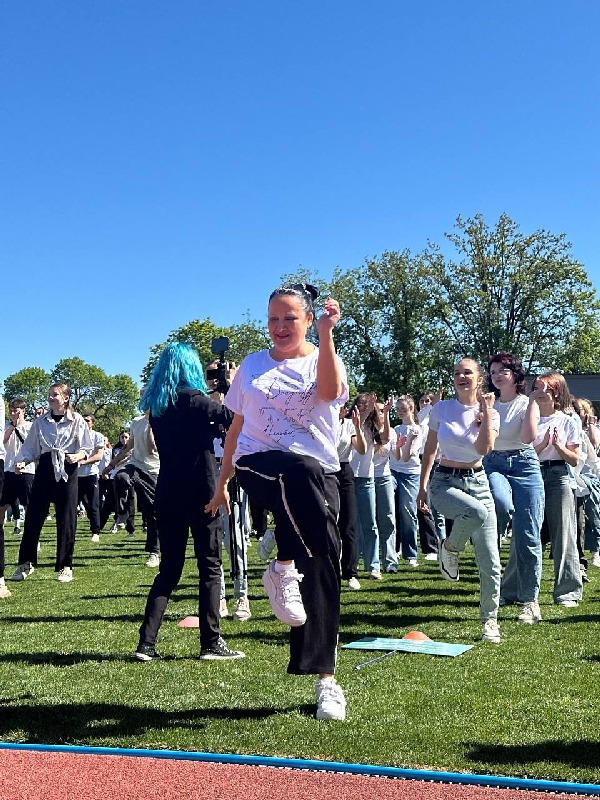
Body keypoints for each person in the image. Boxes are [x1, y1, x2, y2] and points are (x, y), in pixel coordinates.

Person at [206, 283, 348, 721]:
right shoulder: (252, 365)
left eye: (290, 318)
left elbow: (329, 394)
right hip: (259, 464)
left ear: (309, 320)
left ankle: (326, 680)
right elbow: (236, 426)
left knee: (321, 565)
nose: (280, 326)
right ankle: (283, 564)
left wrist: (327, 336)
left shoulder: (324, 356)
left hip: (318, 473)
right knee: (297, 473)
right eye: (273, 319)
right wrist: (223, 480)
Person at [133, 342, 244, 662]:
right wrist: (230, 386)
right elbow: (235, 418)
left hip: (168, 492)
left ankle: (146, 643)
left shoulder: (158, 407)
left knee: (168, 570)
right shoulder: (196, 401)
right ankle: (211, 642)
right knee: (210, 566)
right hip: (203, 492)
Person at [418, 358, 502, 644]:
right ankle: (450, 548)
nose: (461, 377)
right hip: (444, 482)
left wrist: (486, 414)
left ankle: (489, 620)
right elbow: (430, 448)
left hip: (478, 482)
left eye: (467, 372)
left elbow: (484, 448)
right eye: (457, 373)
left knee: (490, 560)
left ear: (479, 378)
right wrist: (422, 487)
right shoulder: (441, 409)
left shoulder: (491, 413)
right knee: (475, 513)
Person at [483, 352, 544, 623]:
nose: (496, 375)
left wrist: (532, 402)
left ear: (515, 375)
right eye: (493, 371)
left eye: (502, 371)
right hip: (494, 463)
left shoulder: (526, 402)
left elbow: (528, 437)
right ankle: (495, 582)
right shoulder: (488, 403)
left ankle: (530, 601)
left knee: (529, 535)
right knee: (501, 503)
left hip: (525, 465)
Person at [11, 383, 92, 583]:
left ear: (65, 398)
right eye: (49, 395)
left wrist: (77, 456)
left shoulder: (76, 420)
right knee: (33, 517)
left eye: (55, 395)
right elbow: (30, 448)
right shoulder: (41, 421)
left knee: (66, 518)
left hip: (67, 468)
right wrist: (22, 461)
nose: (50, 398)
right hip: (45, 468)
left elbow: (86, 447)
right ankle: (26, 563)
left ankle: (65, 565)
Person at [531, 373, 583, 607]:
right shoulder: (528, 418)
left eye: (545, 389)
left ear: (557, 392)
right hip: (531, 475)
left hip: (557, 475)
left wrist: (559, 447)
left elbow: (574, 459)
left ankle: (567, 592)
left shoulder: (567, 421)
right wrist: (542, 445)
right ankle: (517, 589)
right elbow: (523, 453)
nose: (540, 393)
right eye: (536, 388)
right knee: (526, 534)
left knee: (564, 535)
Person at [106, 406, 160, 565]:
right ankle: (122, 515)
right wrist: (111, 465)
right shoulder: (136, 421)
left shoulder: (163, 420)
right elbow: (128, 447)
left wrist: (151, 424)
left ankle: (154, 552)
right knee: (121, 477)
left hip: (153, 470)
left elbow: (151, 449)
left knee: (153, 513)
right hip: (135, 464)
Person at [390, 395, 422, 567]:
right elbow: (396, 456)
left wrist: (408, 440)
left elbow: (406, 457)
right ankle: (393, 549)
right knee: (390, 509)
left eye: (403, 409)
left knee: (408, 512)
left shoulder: (417, 430)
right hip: (393, 471)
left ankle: (410, 553)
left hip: (411, 474)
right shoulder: (396, 429)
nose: (400, 412)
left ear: (411, 409)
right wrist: (397, 445)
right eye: (398, 409)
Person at [77, 414, 106, 543]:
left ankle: (95, 531)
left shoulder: (97, 436)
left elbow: (99, 456)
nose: (85, 422)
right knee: (73, 505)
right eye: (83, 420)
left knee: (93, 504)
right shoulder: (75, 435)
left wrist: (83, 462)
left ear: (92, 423)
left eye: (87, 421)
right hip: (76, 475)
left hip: (90, 474)